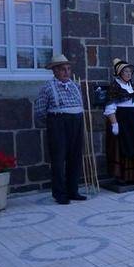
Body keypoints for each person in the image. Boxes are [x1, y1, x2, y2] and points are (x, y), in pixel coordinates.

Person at [33, 54, 87, 205]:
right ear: (55, 71)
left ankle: (73, 190)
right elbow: (40, 111)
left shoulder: (75, 86)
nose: (66, 72)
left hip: (76, 121)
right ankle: (59, 193)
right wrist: (54, 121)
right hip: (58, 122)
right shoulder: (48, 88)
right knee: (58, 158)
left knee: (75, 157)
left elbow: (80, 104)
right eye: (63, 69)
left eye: (68, 69)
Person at [105, 58, 134, 184]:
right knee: (124, 147)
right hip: (124, 121)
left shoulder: (131, 86)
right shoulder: (115, 87)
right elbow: (109, 107)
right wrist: (114, 124)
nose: (129, 74)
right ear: (119, 74)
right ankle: (123, 176)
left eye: (130, 72)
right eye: (126, 72)